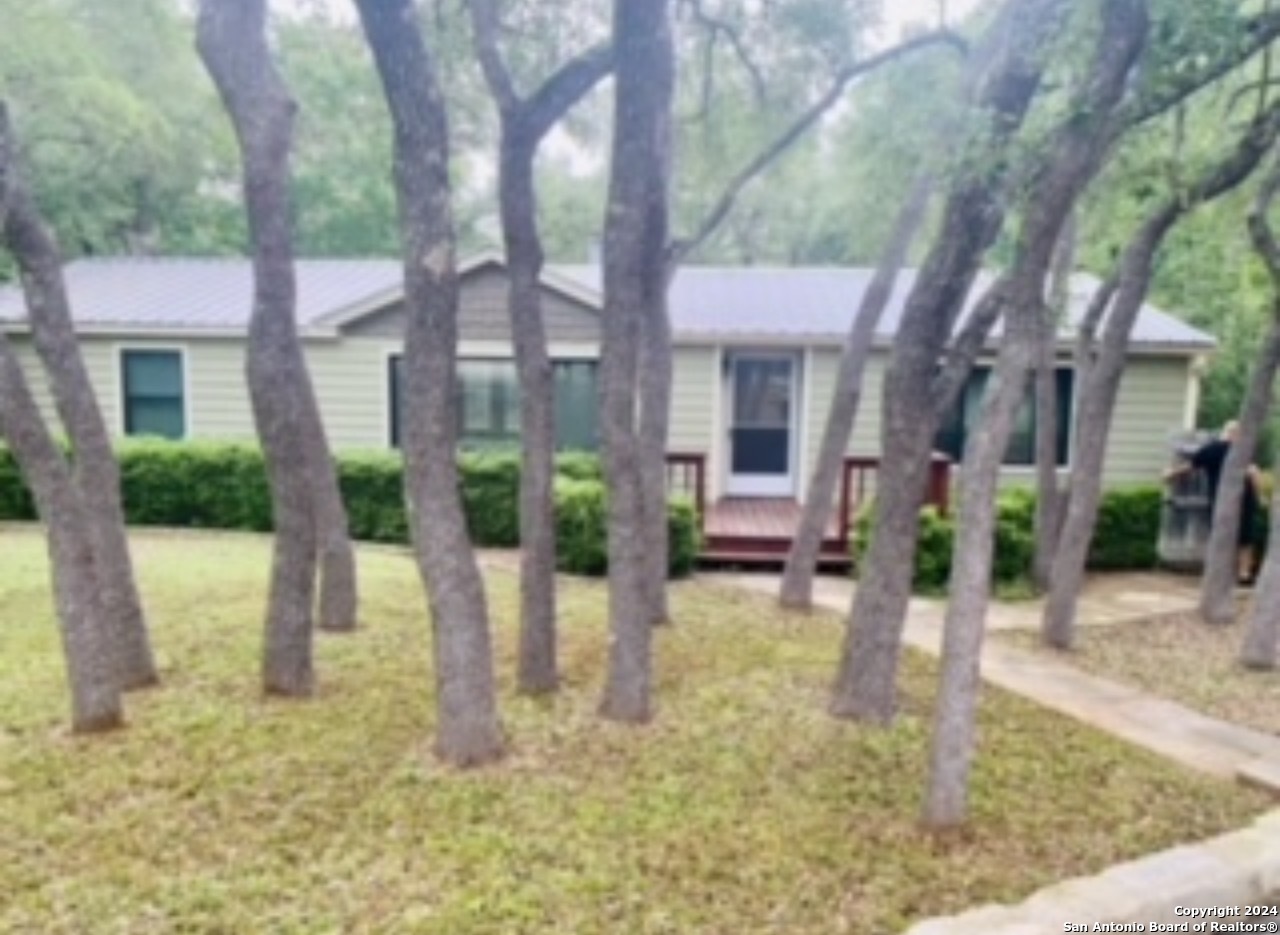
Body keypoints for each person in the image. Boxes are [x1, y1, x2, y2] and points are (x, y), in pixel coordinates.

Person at [1162, 420, 1261, 585]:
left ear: (1225, 432)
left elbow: (1190, 466)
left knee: (1219, 535)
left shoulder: (1210, 449)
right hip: (1245, 498)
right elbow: (1254, 473)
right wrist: (1259, 497)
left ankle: (1219, 572)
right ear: (1236, 434)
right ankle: (1244, 573)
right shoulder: (1243, 451)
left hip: (1220, 499)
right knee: (1245, 538)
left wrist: (1170, 474)